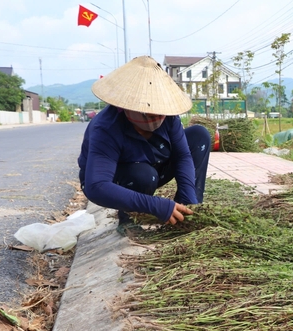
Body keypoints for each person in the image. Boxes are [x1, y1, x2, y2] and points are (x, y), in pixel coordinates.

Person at [78, 56, 211, 233]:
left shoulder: (169, 118)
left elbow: (183, 156)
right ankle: (129, 218)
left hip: (155, 166)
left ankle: (185, 210)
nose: (156, 118)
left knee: (199, 136)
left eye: (159, 112)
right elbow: (98, 186)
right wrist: (156, 205)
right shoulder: (107, 127)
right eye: (148, 113)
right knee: (144, 175)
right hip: (120, 180)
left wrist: (188, 200)